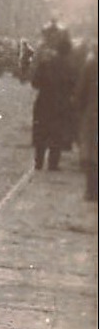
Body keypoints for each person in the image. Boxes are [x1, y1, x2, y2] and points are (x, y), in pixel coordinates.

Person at [29, 24, 76, 173]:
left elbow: (35, 83)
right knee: (57, 133)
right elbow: (73, 86)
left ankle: (38, 163)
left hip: (44, 101)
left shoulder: (46, 63)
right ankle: (53, 164)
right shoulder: (70, 67)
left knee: (41, 131)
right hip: (61, 104)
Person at [74, 41, 98, 202]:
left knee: (93, 153)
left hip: (95, 115)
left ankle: (92, 191)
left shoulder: (92, 64)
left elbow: (80, 92)